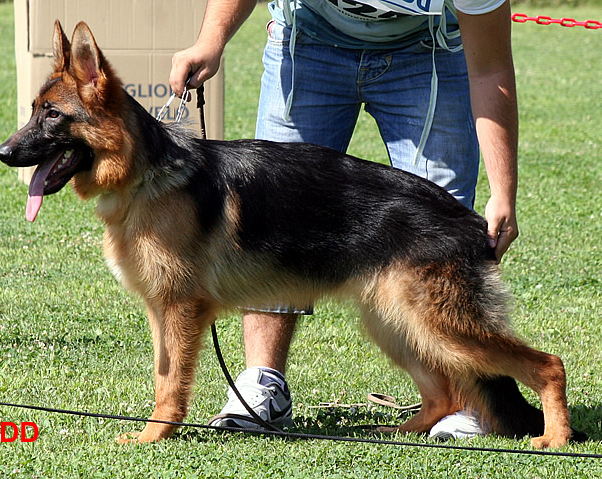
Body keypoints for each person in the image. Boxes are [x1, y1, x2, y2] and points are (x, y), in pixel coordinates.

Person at [169, 0, 519, 439]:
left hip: (426, 46)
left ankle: (462, 401)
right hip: (309, 39)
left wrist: (504, 191)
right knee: (273, 212)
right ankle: (263, 384)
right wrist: (210, 40)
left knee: (438, 227)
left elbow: (490, 71)